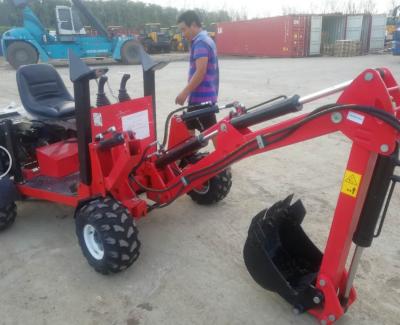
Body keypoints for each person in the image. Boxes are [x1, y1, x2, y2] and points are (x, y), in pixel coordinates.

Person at [175, 10, 219, 132]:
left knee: (212, 133)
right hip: (200, 97)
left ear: (193, 25)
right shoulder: (206, 39)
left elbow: (200, 72)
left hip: (201, 100)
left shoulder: (200, 43)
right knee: (189, 131)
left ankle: (230, 152)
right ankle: (192, 152)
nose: (183, 34)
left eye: (184, 29)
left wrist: (184, 93)